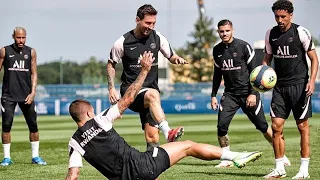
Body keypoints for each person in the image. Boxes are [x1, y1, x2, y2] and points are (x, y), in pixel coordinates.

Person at [65, 51, 263, 180]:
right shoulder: (100, 120)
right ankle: (235, 156)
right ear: (89, 112)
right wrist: (143, 71)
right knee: (188, 146)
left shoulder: (74, 143)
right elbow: (126, 99)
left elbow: (73, 175)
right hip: (144, 166)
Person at [107, 4, 188, 151]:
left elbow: (171, 55)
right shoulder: (123, 42)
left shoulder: (158, 37)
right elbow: (111, 64)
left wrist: (177, 59)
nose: (150, 26)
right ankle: (168, 132)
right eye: (147, 23)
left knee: (152, 137)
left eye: (153, 23)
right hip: (131, 92)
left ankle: (152, 171)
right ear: (138, 20)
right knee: (153, 94)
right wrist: (111, 88)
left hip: (151, 96)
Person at [211, 19, 290, 168]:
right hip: (230, 95)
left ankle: (281, 155)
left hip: (248, 93)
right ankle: (227, 158)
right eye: (221, 31)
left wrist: (252, 93)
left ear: (232, 30)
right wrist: (213, 95)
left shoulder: (243, 47)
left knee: (262, 126)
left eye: (227, 31)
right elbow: (217, 74)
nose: (224, 34)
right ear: (218, 32)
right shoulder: (217, 50)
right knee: (221, 126)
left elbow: (256, 71)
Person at [262, 1, 319, 179]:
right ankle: (279, 168)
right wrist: (263, 75)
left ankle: (304, 170)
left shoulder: (301, 32)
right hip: (279, 87)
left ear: (291, 15)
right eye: (277, 16)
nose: (279, 20)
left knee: (302, 127)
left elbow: (314, 59)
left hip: (300, 86)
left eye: (283, 17)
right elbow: (267, 59)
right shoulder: (270, 34)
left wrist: (312, 81)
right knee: (276, 126)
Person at [0, 27, 46, 166]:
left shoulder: (31, 52)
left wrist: (33, 92)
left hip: (27, 95)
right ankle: (7, 157)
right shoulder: (4, 51)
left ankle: (35, 156)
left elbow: (34, 73)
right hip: (8, 95)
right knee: (6, 125)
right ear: (13, 36)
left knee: (33, 126)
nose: (21, 40)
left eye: (23, 37)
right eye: (18, 37)